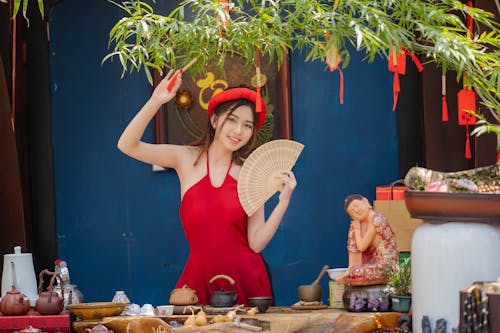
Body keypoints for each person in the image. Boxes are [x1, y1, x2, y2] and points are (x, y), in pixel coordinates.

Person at [117, 70, 297, 306]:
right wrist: (156, 101)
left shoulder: (251, 173)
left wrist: (283, 201)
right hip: (198, 281)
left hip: (247, 282)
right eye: (231, 120)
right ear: (214, 120)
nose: (238, 131)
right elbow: (127, 145)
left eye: (247, 125)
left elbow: (256, 243)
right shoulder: (185, 159)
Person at [337, 194, 398, 285]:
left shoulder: (377, 220)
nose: (356, 210)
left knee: (355, 272)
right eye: (352, 212)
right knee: (353, 271)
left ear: (365, 202)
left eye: (356, 206)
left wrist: (357, 229)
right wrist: (356, 229)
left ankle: (351, 272)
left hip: (386, 267)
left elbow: (362, 246)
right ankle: (351, 271)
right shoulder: (362, 225)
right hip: (372, 265)